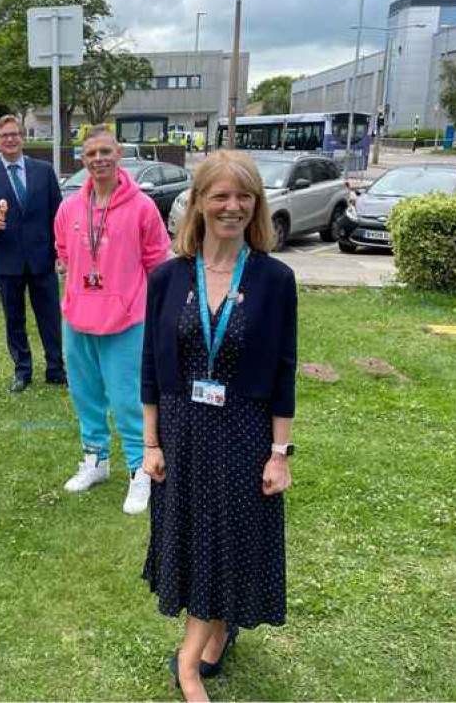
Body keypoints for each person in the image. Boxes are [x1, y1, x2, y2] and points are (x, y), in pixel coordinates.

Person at [140, 150, 297, 702]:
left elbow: (282, 372)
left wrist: (280, 453)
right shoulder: (167, 277)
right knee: (193, 539)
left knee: (227, 539)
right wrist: (151, 444)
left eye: (243, 196)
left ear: (255, 205)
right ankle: (218, 631)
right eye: (220, 196)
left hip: (243, 433)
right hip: (182, 434)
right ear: (199, 204)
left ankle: (187, 664)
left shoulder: (276, 280)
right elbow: (150, 369)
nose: (232, 207)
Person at [53, 125, 171, 515]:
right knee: (84, 396)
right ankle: (96, 460)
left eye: (106, 151)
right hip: (78, 318)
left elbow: (158, 264)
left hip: (127, 321)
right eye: (92, 154)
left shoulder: (141, 206)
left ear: (118, 154)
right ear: (82, 159)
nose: (99, 159)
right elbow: (64, 253)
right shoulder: (70, 207)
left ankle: (140, 469)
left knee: (127, 399)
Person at [0, 114, 66, 393]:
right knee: (15, 319)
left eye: (14, 134)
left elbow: (58, 214)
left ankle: (55, 368)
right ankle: (22, 371)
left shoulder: (44, 171)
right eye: (4, 136)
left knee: (49, 317)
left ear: (22, 137)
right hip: (6, 260)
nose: (10, 139)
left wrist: (61, 251)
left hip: (42, 259)